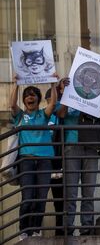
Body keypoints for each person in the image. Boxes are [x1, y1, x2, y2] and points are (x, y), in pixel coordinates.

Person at [56, 76, 100, 236]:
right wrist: (66, 94)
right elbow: (61, 114)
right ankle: (68, 227)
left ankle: (87, 227)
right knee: (71, 191)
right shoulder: (64, 101)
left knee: (89, 191)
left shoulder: (90, 98)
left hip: (91, 146)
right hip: (72, 146)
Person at [10, 74, 58, 240]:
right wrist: (16, 84)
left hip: (44, 161)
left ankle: (36, 230)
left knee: (41, 197)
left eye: (33, 94)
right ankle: (24, 230)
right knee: (28, 197)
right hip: (26, 161)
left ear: (38, 100)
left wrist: (53, 84)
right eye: (27, 95)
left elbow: (52, 104)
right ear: (24, 101)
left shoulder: (43, 115)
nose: (30, 96)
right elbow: (11, 104)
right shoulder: (20, 116)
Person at [45, 88, 64, 236]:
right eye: (50, 101)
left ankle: (60, 231)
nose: (53, 103)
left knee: (60, 201)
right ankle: (34, 230)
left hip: (59, 164)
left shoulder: (61, 117)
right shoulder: (42, 116)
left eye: (55, 101)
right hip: (44, 164)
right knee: (38, 198)